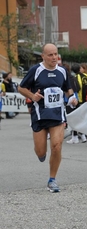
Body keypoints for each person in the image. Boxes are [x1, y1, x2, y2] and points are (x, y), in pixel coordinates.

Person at [18, 43, 78, 193]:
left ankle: (52, 179)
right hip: (39, 115)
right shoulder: (36, 70)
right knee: (41, 152)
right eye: (50, 55)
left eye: (55, 54)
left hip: (57, 114)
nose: (54, 57)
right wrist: (33, 96)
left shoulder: (62, 71)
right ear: (43, 56)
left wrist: (72, 97)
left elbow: (67, 88)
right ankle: (41, 154)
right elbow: (21, 88)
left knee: (57, 146)